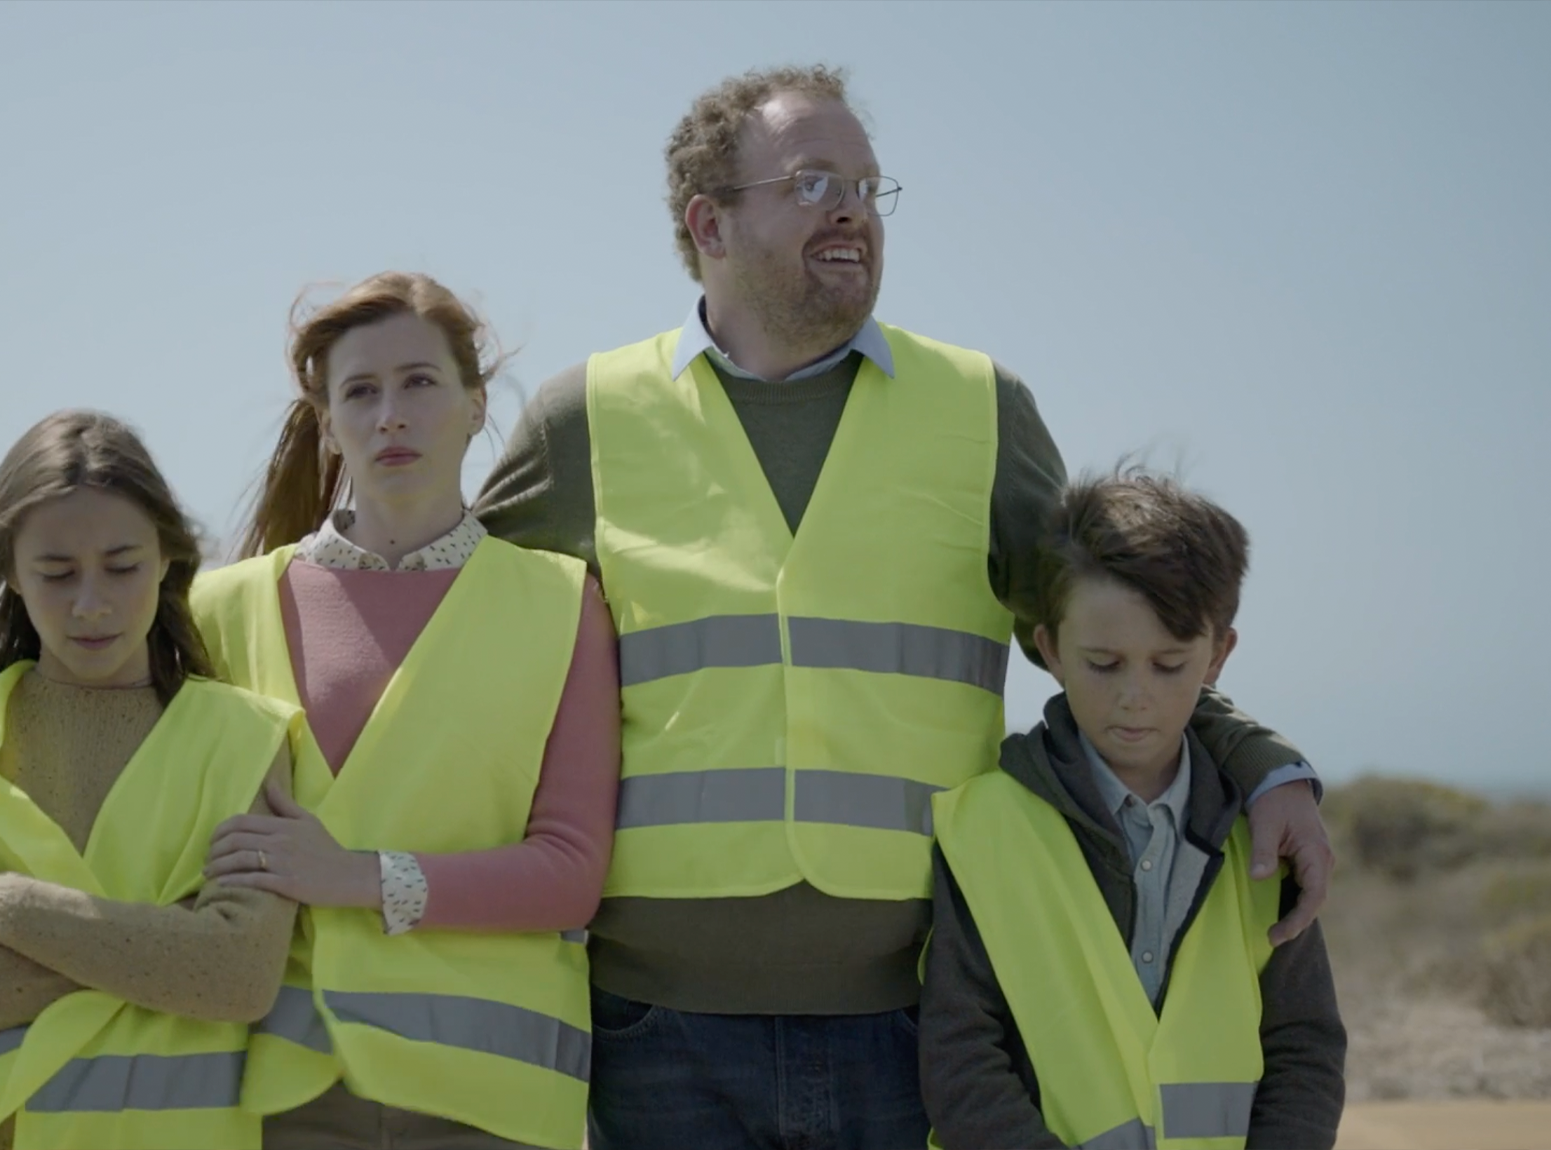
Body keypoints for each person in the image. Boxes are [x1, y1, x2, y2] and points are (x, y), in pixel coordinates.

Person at [470, 64, 1336, 1150]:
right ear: (709, 223)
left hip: (923, 1019)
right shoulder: (584, 419)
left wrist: (1263, 762)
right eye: (812, 182)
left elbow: (1120, 633)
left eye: (867, 187)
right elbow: (456, 636)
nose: (852, 210)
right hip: (656, 1031)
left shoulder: (982, 409)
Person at [0, 273, 620, 1150]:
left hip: (495, 1093)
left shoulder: (562, 602)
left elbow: (570, 870)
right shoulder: (219, 609)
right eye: (360, 391)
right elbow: (92, 746)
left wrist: (358, 877)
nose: (391, 416)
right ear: (326, 422)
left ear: (476, 405)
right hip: (280, 1095)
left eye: (420, 382)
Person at [0, 410, 301, 1150]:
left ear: (166, 556)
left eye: (122, 566)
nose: (92, 603)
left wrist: (14, 908)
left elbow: (237, 976)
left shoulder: (247, 740)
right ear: (12, 572)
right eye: (57, 573)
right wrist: (167, 947)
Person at [920, 469, 1347, 1149]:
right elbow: (961, 1057)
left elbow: (1304, 1047)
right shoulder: (984, 828)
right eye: (1104, 663)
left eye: (1169, 665)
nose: (1135, 697)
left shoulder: (1263, 835)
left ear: (1218, 655)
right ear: (1051, 649)